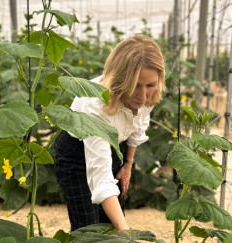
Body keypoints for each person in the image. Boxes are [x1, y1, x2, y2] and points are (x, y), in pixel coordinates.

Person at [54, 34, 165, 232]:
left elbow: (138, 127)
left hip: (115, 147)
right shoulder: (96, 104)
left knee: (111, 225)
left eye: (150, 85)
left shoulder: (149, 92)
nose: (143, 95)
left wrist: (128, 164)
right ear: (120, 81)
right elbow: (102, 179)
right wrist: (128, 234)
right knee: (88, 230)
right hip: (76, 155)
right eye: (135, 86)